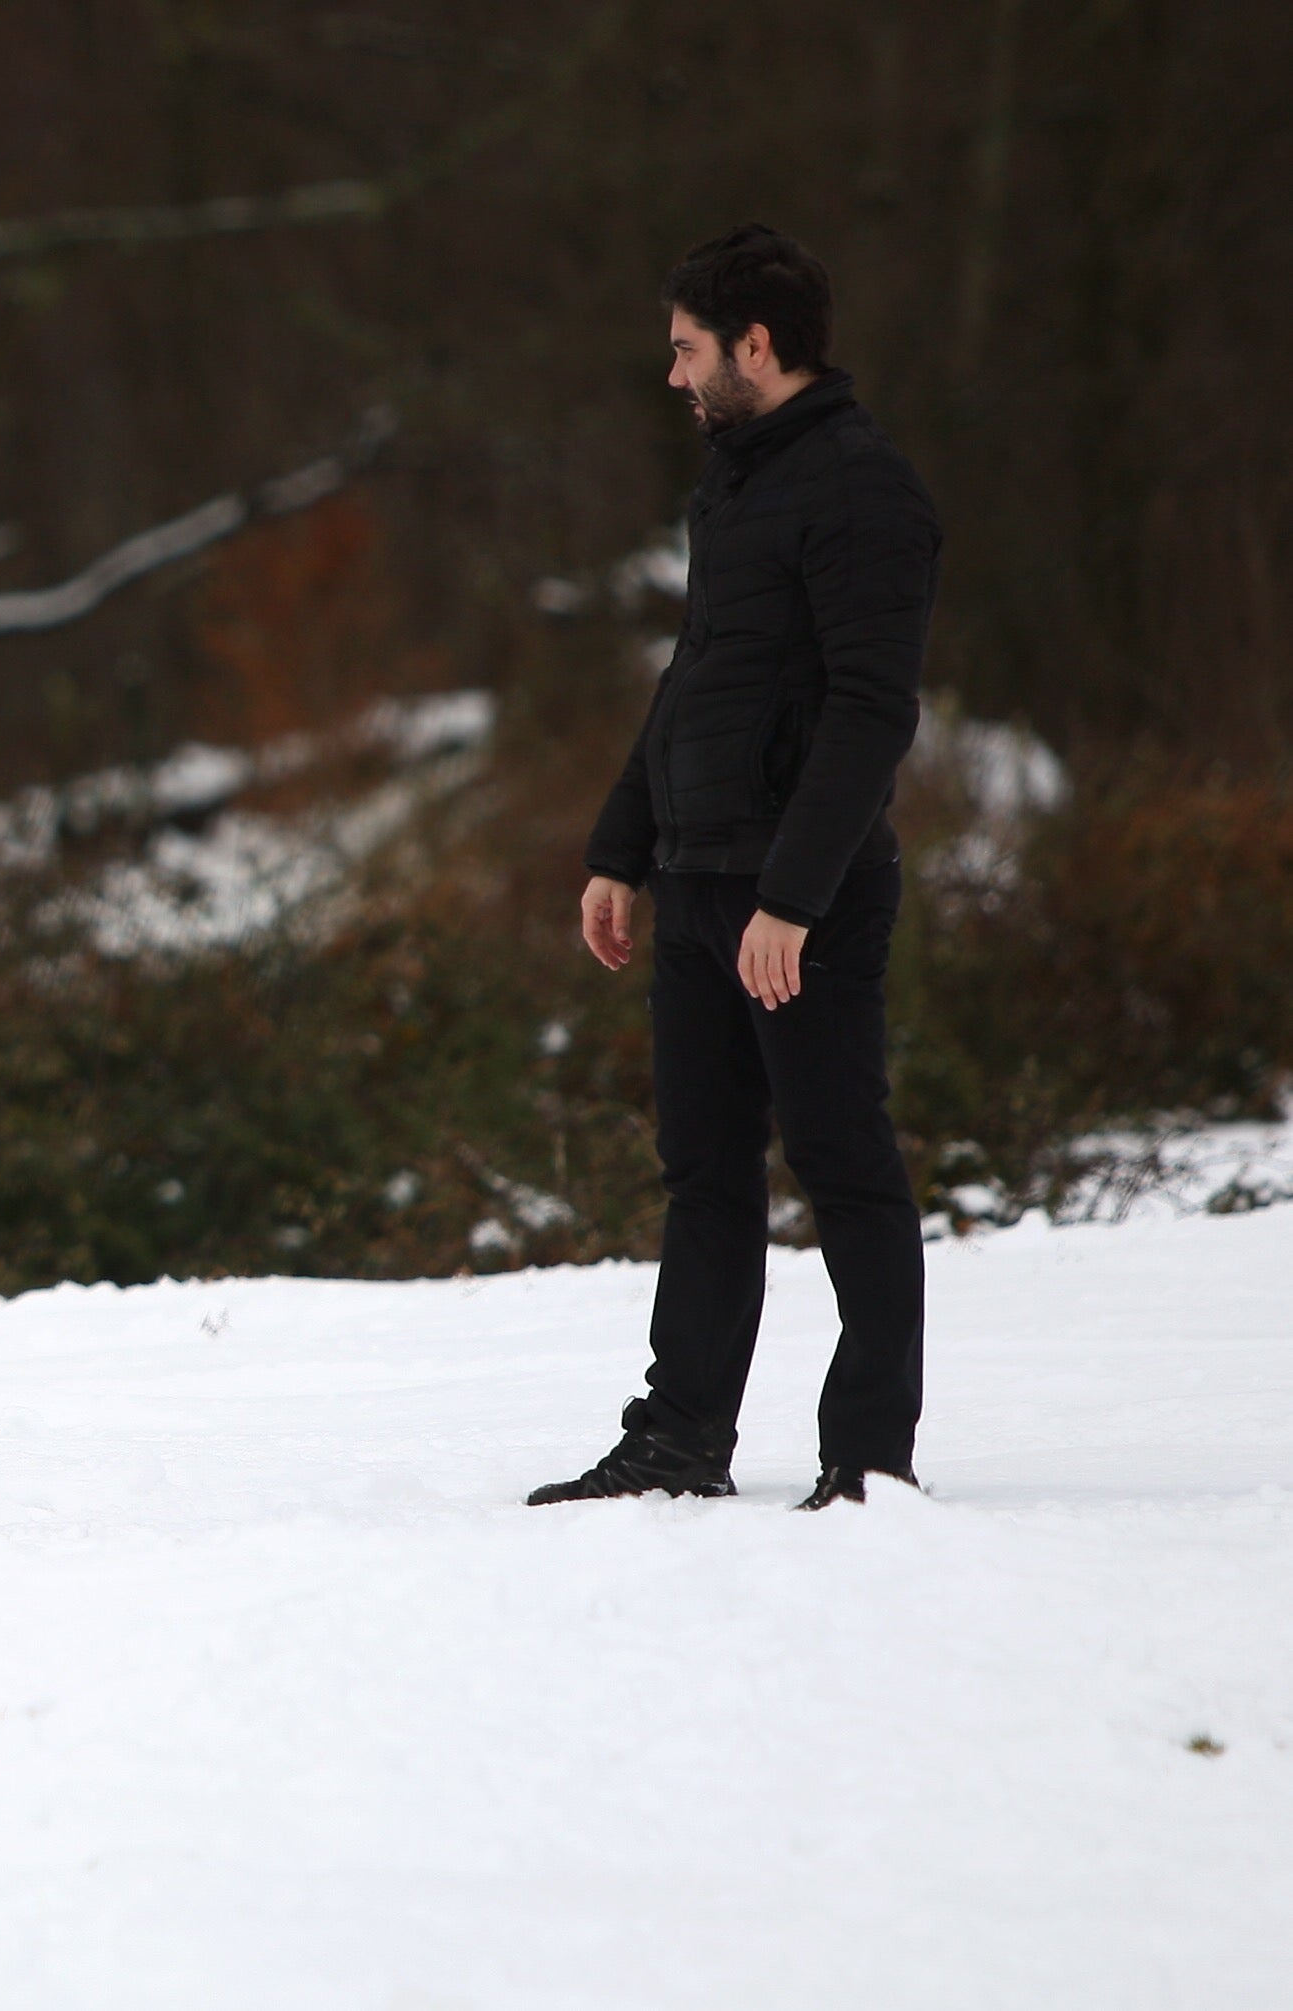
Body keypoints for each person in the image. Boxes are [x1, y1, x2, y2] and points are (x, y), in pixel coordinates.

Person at [534, 224, 941, 1513]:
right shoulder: (735, 483)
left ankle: (868, 1451)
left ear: (754, 347)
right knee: (704, 1173)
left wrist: (794, 897)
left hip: (794, 898)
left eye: (685, 351)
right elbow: (697, 680)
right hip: (702, 881)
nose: (671, 377)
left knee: (840, 1164)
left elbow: (870, 713)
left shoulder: (863, 491)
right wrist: (620, 849)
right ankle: (678, 1441)